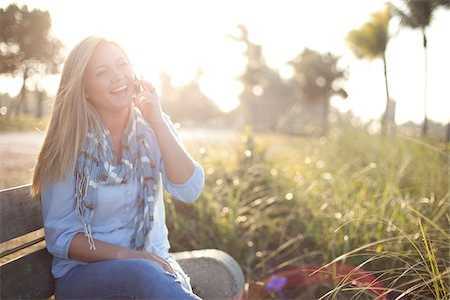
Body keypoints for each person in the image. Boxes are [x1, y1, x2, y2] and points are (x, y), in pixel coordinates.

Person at [31, 36, 204, 299]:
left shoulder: (152, 126)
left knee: (151, 277)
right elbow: (62, 236)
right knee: (143, 275)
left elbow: (188, 190)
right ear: (84, 88)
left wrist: (157, 121)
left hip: (153, 267)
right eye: (102, 72)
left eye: (122, 65)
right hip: (84, 274)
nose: (118, 76)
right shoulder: (68, 142)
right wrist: (131, 257)